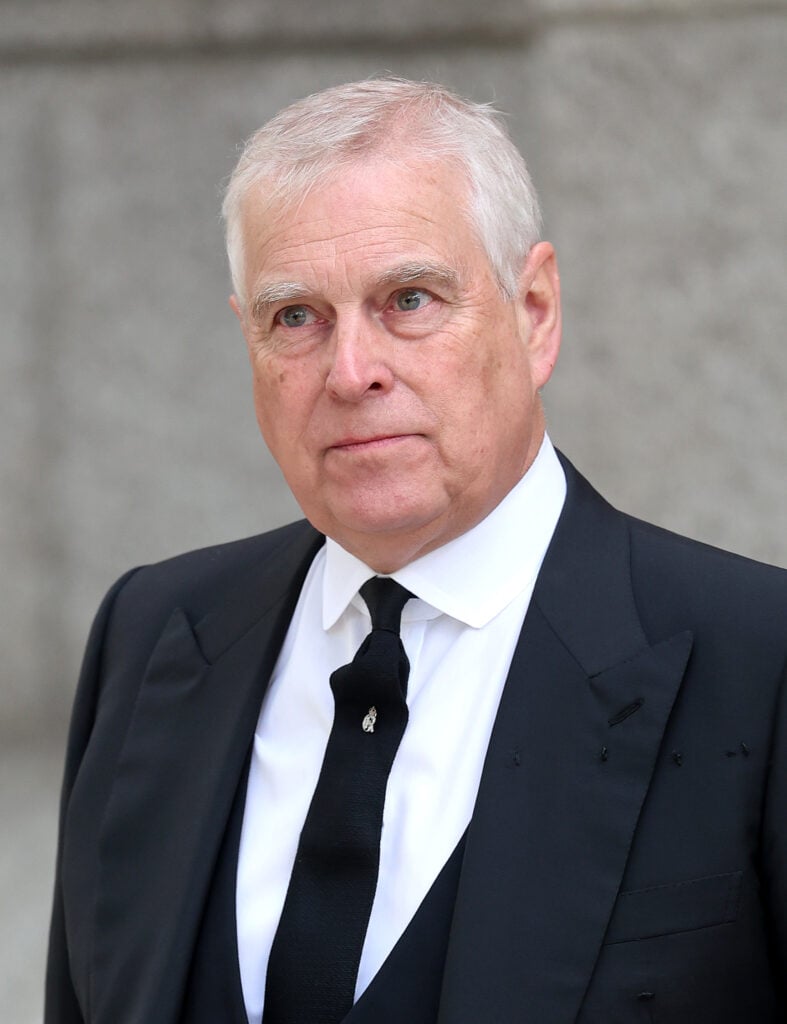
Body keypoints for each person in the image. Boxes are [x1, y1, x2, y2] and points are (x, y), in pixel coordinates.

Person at [45, 78, 786, 1024]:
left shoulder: (758, 662)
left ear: (534, 312)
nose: (351, 372)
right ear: (248, 342)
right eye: (297, 318)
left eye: (407, 299)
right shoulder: (151, 636)